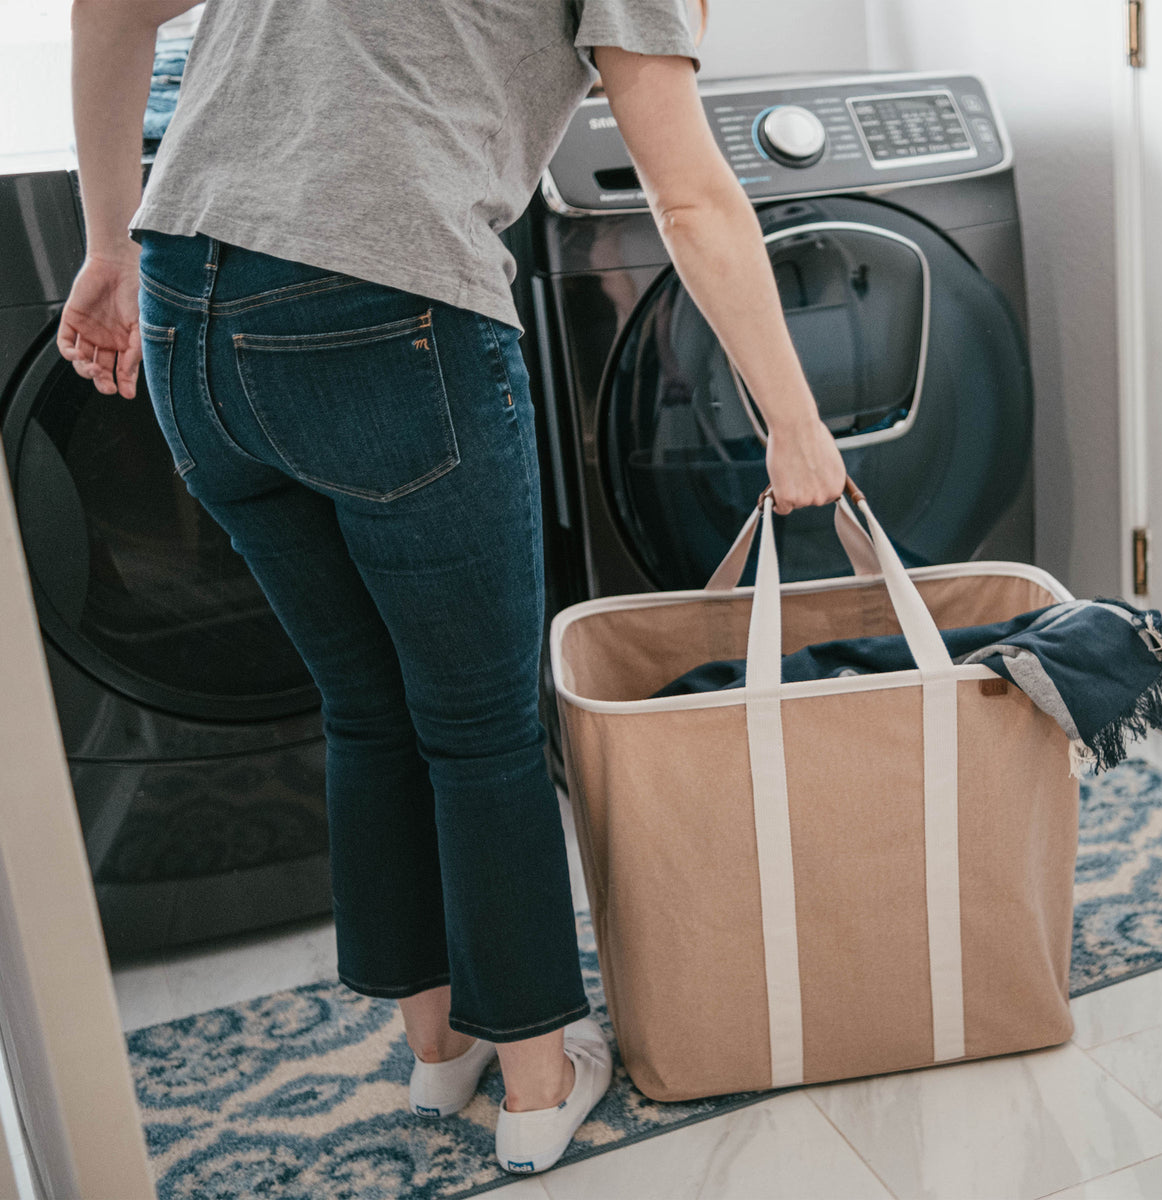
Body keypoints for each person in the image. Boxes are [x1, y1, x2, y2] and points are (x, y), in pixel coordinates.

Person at [59, 0, 846, 1175]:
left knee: (369, 704)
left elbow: (107, 8)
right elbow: (688, 197)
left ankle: (438, 1047)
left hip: (188, 308)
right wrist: (796, 425)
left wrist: (109, 246)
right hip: (384, 307)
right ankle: (537, 1078)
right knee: (477, 728)